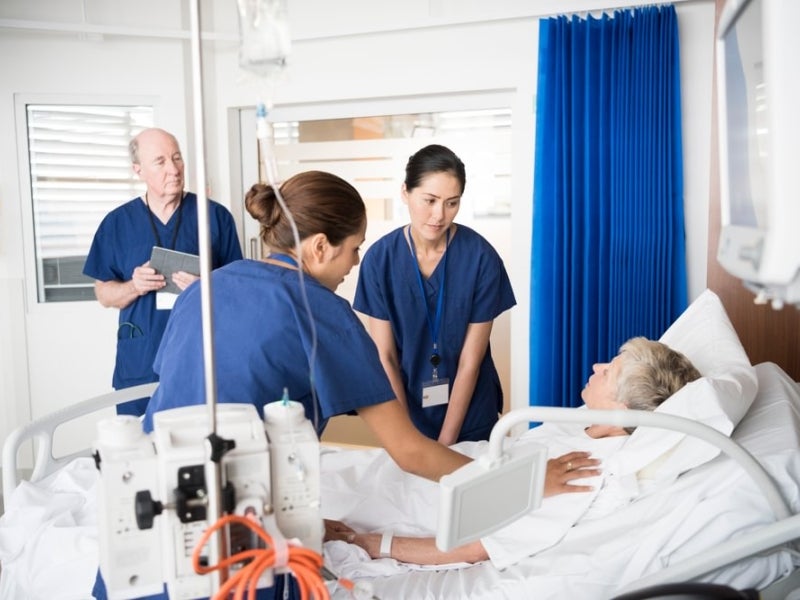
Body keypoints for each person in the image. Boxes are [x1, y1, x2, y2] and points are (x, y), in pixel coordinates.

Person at [143, 171, 597, 488]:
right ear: (320, 247)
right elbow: (410, 452)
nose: (356, 263)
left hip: (151, 489)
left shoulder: (202, 290)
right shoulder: (320, 311)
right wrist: (526, 479)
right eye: (353, 249)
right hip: (234, 530)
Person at [325, 336, 701, 567]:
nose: (596, 365)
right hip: (418, 473)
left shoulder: (586, 472)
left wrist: (371, 543)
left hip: (414, 506)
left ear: (622, 409)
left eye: (608, 372)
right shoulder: (582, 424)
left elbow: (477, 548)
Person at [353, 144, 516, 445]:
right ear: (405, 192)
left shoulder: (481, 258)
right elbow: (385, 356)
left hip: (470, 415)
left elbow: (471, 359)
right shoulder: (380, 260)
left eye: (451, 203)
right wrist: (408, 438)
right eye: (429, 200)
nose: (439, 215)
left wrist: (446, 443)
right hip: (406, 407)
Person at [83, 128, 242, 416]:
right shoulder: (116, 224)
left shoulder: (216, 217)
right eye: (160, 161)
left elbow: (238, 295)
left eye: (177, 158)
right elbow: (104, 294)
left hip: (201, 358)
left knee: (201, 448)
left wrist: (207, 285)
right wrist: (134, 285)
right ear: (138, 169)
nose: (174, 169)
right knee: (138, 448)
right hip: (140, 361)